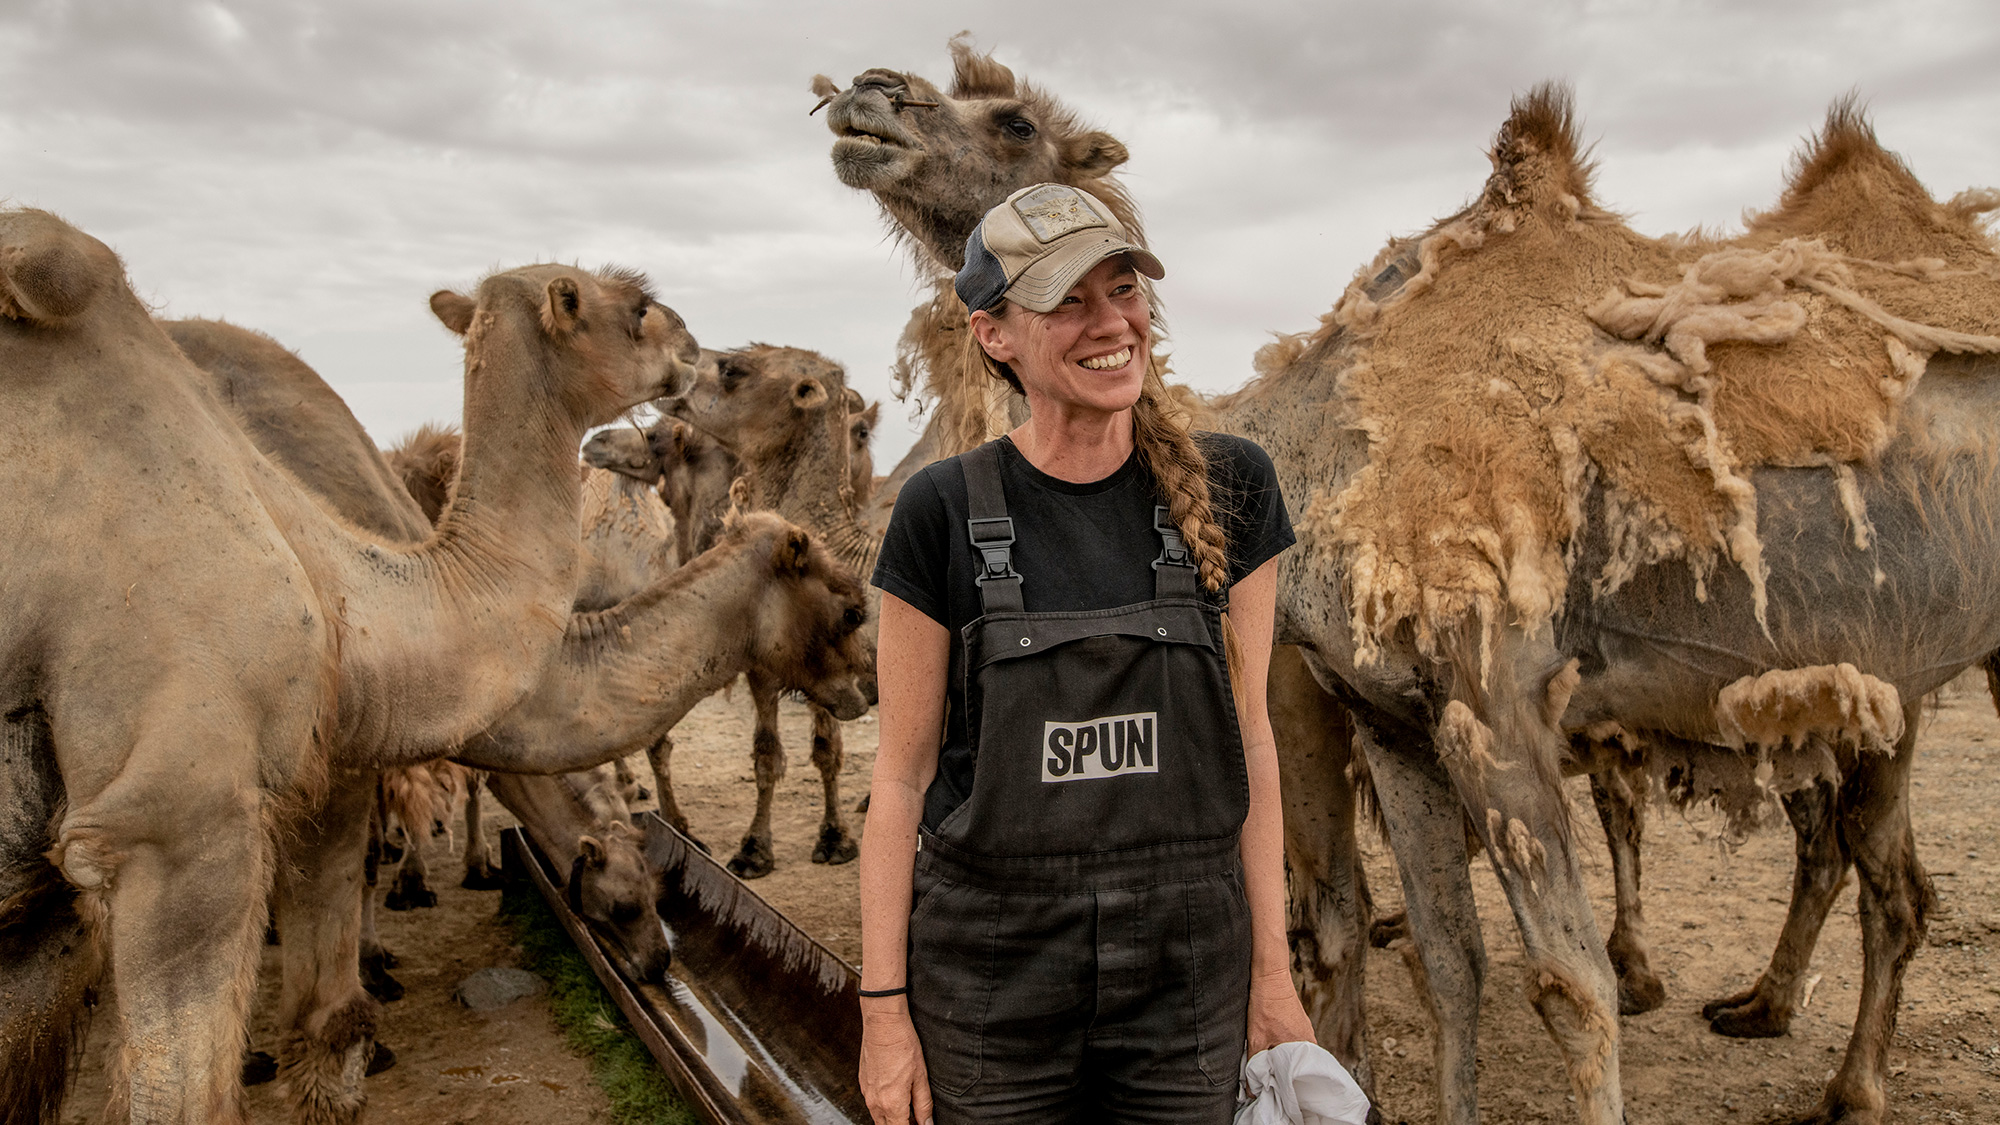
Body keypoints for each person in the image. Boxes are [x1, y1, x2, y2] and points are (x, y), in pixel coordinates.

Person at [858, 181, 1316, 1125]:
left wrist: (1273, 974)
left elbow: (1254, 743)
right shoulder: (941, 510)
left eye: (1123, 289)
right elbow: (898, 783)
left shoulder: (1232, 484)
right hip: (991, 969)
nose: (1111, 322)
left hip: (1186, 971)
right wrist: (882, 1012)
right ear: (994, 334)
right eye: (1067, 299)